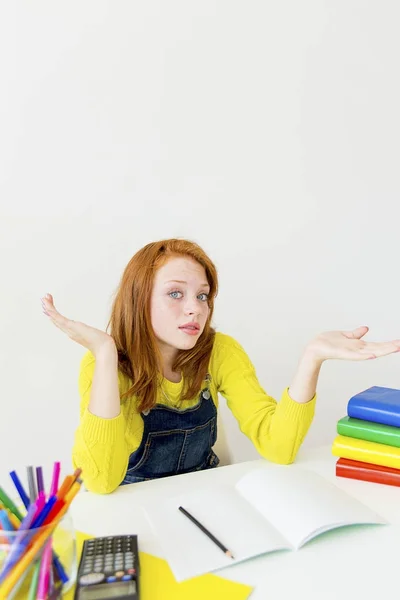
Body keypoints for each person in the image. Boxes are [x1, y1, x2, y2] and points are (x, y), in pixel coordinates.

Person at [41, 239, 400, 494]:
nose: (196, 308)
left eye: (202, 295)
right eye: (175, 293)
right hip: (137, 505)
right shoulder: (104, 365)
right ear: (139, 299)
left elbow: (279, 447)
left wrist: (312, 358)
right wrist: (105, 354)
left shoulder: (220, 351)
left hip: (208, 499)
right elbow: (101, 482)